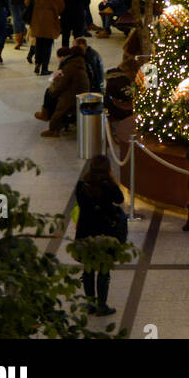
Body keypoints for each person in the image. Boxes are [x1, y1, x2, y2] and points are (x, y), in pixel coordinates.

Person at [75, 154, 126, 316]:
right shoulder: (109, 186)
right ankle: (102, 305)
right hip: (105, 233)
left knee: (88, 268)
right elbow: (120, 199)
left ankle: (90, 304)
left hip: (85, 231)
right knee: (104, 269)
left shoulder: (82, 185)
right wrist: (110, 181)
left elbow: (80, 203)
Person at [36, 45, 90, 137]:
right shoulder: (78, 63)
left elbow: (60, 85)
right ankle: (46, 113)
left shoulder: (70, 67)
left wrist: (54, 85)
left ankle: (53, 129)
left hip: (73, 95)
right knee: (51, 93)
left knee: (52, 95)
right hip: (80, 92)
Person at [24, 0, 65, 76]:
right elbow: (61, 6)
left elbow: (27, 2)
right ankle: (45, 68)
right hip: (51, 19)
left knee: (39, 43)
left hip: (37, 19)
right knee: (47, 44)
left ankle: (37, 65)